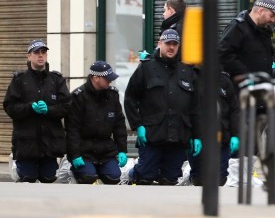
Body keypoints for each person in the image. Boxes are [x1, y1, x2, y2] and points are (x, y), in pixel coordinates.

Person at [124, 29, 201, 185]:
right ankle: (132, 175)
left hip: (178, 136)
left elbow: (196, 107)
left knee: (169, 179)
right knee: (146, 176)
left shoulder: (187, 71)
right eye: (168, 44)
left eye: (175, 44)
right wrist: (137, 126)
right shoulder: (146, 69)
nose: (171, 47)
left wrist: (197, 135)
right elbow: (130, 98)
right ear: (160, 44)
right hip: (153, 134)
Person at [3, 40, 71, 183]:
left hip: (50, 143)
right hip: (26, 143)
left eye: (43, 52)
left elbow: (66, 106)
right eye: (36, 53)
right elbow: (10, 106)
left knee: (48, 178)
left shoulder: (56, 80)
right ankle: (18, 168)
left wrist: (49, 110)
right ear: (29, 56)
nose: (41, 56)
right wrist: (29, 107)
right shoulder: (19, 80)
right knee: (28, 178)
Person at [65, 61, 127, 185]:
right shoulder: (78, 97)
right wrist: (75, 155)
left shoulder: (112, 96)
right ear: (96, 78)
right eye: (107, 78)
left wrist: (122, 150)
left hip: (106, 151)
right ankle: (75, 171)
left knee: (114, 177)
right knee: (88, 177)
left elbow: (119, 125)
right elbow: (72, 129)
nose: (110, 81)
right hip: (84, 151)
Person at [189, 71, 240, 186]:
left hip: (221, 139)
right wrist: (190, 134)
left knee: (219, 178)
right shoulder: (192, 77)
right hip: (198, 138)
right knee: (199, 177)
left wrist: (235, 135)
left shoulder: (224, 80)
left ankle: (214, 202)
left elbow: (234, 109)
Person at [219, 0, 275, 84]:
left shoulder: (263, 30)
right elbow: (223, 53)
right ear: (261, 11)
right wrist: (246, 74)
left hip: (262, 87)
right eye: (272, 15)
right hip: (243, 89)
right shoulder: (238, 27)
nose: (273, 20)